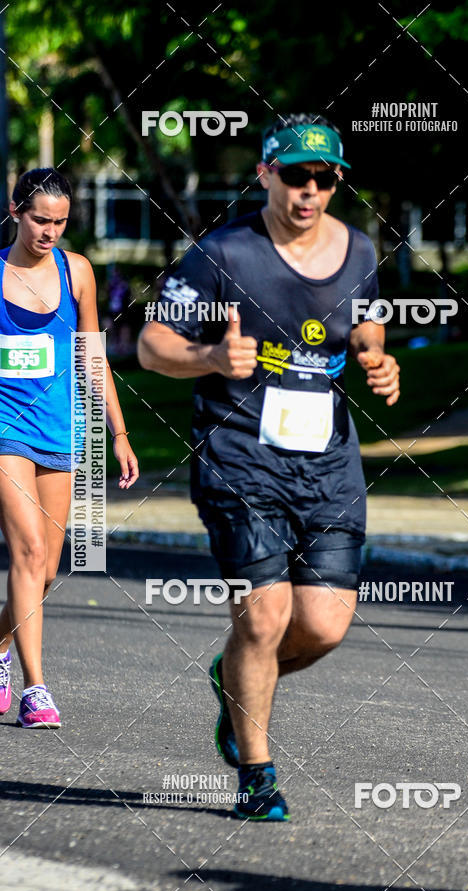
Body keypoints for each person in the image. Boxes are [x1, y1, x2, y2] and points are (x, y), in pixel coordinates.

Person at [137, 114, 399, 821]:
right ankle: (257, 775)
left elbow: (366, 323)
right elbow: (152, 345)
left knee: (325, 625)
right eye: (296, 175)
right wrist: (211, 359)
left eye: (325, 178)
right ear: (266, 174)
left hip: (328, 462)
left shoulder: (360, 250)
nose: (310, 190)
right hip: (238, 455)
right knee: (265, 615)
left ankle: (234, 682)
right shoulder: (223, 255)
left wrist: (377, 357)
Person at [0, 168, 138, 729]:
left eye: (59, 222)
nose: (50, 232)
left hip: (61, 432)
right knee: (28, 553)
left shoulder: (76, 272)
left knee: (47, 569)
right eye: (39, 220)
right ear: (15, 212)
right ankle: (36, 689)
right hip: (5, 430)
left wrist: (119, 434)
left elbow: (92, 357)